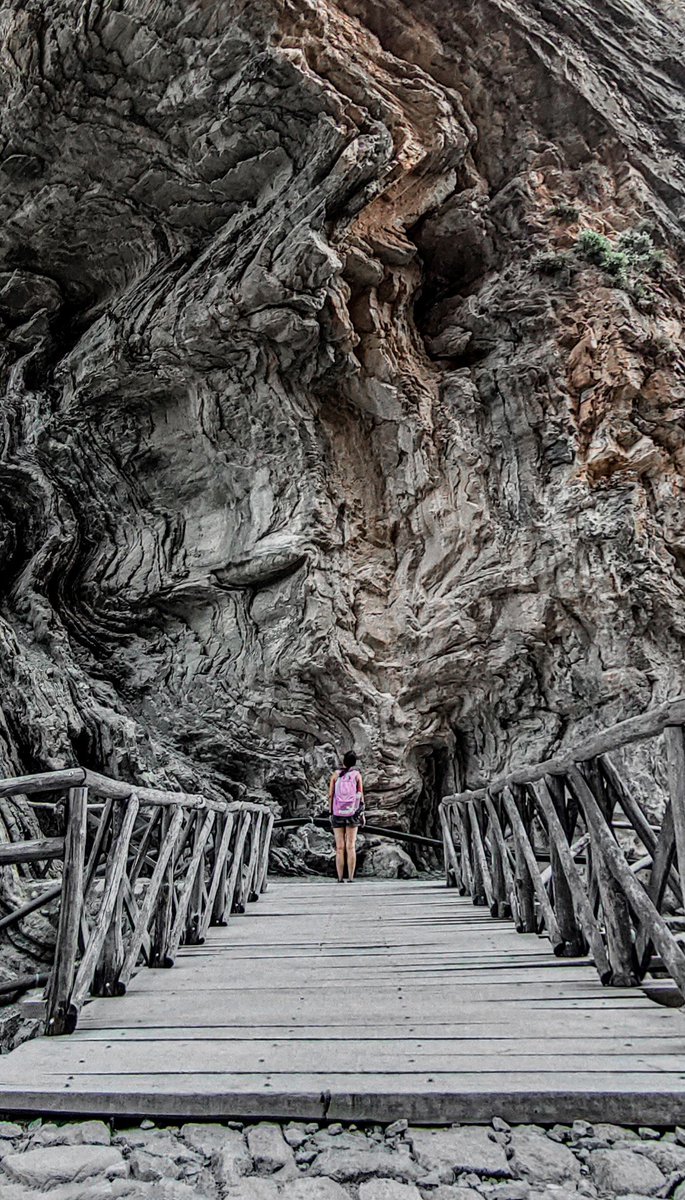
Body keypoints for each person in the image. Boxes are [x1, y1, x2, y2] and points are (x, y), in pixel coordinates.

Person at [329, 751, 365, 881]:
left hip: (337, 813)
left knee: (339, 847)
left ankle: (339, 878)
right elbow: (360, 795)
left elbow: (331, 795)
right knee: (351, 846)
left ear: (343, 761)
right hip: (353, 813)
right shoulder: (357, 775)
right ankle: (350, 877)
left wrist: (331, 812)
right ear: (355, 762)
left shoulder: (335, 775)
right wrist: (362, 814)